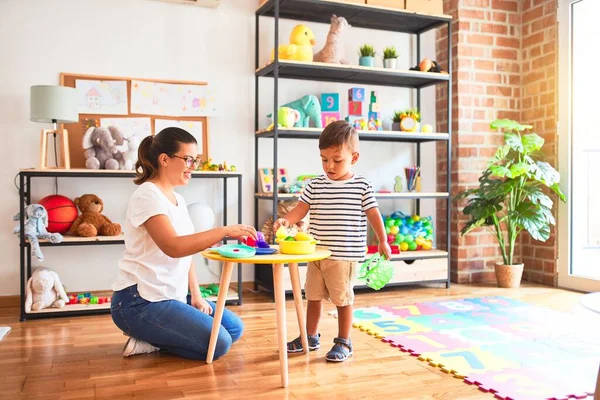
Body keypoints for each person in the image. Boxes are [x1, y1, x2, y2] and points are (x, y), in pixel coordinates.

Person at [111, 127, 257, 360]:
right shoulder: (147, 195)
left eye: (195, 160)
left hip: (173, 295)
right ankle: (151, 337)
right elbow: (174, 247)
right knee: (219, 343)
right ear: (164, 159)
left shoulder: (177, 198)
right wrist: (224, 231)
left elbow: (187, 252)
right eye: (188, 159)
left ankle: (155, 338)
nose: (193, 166)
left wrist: (196, 295)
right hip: (140, 302)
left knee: (234, 328)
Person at [273, 120, 391, 362]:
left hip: (344, 255)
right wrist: (286, 221)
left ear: (354, 158)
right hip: (316, 253)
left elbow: (374, 215)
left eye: (337, 160)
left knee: (342, 299)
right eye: (324, 159)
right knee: (313, 297)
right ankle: (309, 336)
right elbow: (301, 209)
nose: (330, 166)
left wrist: (383, 241)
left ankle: (344, 341)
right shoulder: (314, 184)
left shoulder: (361, 185)